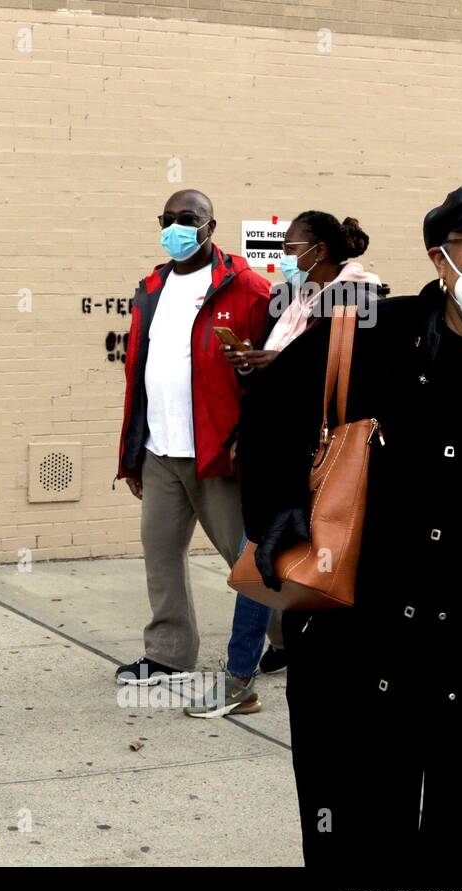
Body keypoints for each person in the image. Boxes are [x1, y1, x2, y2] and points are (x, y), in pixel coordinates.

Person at [237, 175, 462, 866]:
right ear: (440, 256)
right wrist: (278, 505)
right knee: (357, 841)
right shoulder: (363, 334)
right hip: (356, 650)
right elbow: (269, 419)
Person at [114, 189, 273, 716]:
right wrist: (133, 451)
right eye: (168, 219)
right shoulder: (152, 287)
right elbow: (139, 371)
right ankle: (168, 654)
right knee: (160, 551)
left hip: (219, 450)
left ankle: (289, 636)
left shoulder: (247, 287)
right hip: (160, 448)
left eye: (188, 218)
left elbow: (279, 365)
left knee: (247, 560)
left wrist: (252, 432)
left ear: (210, 225)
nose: (176, 227)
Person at [218, 211, 386, 680]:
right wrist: (253, 363)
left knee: (259, 559)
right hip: (274, 451)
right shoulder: (293, 301)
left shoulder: (360, 300)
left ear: (320, 251)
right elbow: (277, 381)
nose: (285, 258)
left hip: (313, 455)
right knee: (271, 558)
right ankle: (283, 648)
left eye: (291, 249)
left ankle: (238, 678)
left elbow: (348, 383)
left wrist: (280, 364)